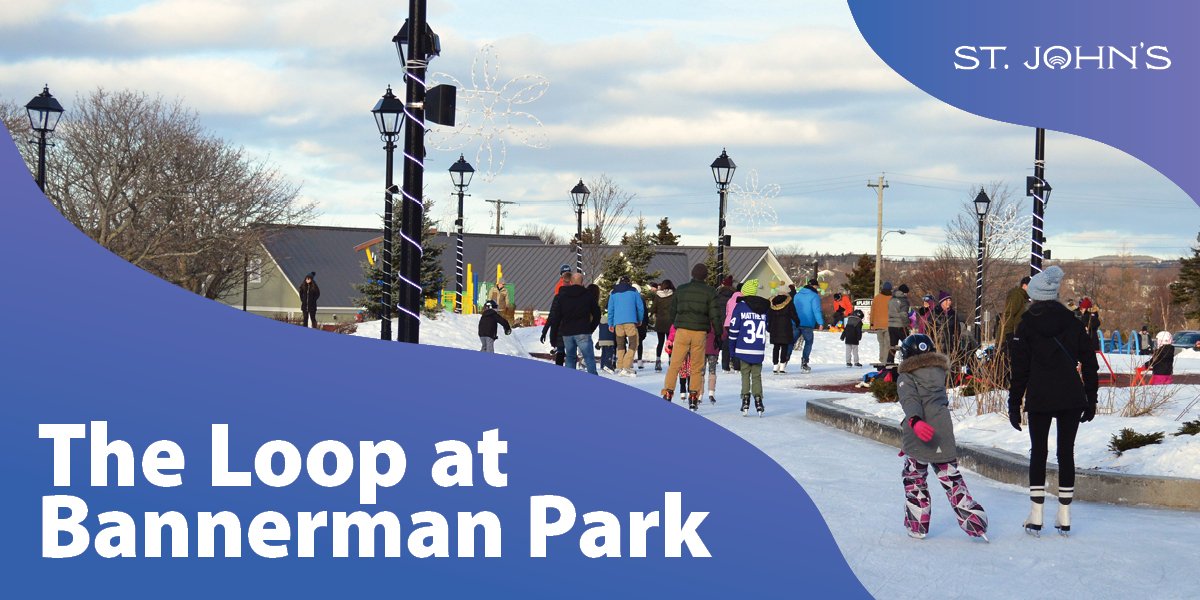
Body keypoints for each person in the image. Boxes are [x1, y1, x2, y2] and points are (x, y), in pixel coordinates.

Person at [1008, 266, 1099, 536]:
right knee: (1065, 453)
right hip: (1071, 396)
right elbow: (1090, 362)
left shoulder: (1025, 325)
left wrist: (1014, 403)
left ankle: (1036, 517)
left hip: (1040, 396)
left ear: (1034, 294)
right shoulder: (1072, 322)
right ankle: (1065, 515)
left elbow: (1020, 370)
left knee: (1039, 452)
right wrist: (1090, 398)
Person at [897, 333, 989, 541]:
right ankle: (975, 523)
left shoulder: (906, 376)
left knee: (914, 479)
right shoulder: (938, 373)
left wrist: (914, 421)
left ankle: (917, 525)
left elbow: (910, 400)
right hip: (942, 431)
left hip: (919, 431)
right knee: (951, 478)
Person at [662, 264, 723, 410]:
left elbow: (673, 311)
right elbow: (715, 315)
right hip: (700, 333)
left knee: (675, 364)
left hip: (682, 331)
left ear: (692, 274)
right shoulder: (710, 292)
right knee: (696, 366)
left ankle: (668, 392)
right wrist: (719, 334)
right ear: (705, 276)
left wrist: (675, 324)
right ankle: (694, 395)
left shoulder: (681, 290)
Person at [545, 273, 601, 375]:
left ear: (571, 282)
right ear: (582, 282)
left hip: (567, 332)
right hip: (583, 331)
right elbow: (597, 314)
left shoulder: (563, 296)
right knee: (588, 357)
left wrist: (553, 336)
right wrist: (590, 328)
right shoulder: (588, 295)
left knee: (570, 357)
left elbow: (556, 317)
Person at [728, 279, 769, 416]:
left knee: (745, 374)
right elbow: (768, 326)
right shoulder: (763, 308)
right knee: (756, 376)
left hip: (743, 348)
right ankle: (758, 399)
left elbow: (734, 330)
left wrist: (732, 350)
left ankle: (745, 399)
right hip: (758, 348)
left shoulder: (740, 307)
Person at [607, 275, 645, 377]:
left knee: (620, 345)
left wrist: (610, 323)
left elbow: (610, 309)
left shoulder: (613, 293)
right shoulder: (634, 291)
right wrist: (639, 319)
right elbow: (640, 307)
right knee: (634, 343)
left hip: (617, 323)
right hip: (630, 322)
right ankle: (626, 366)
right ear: (629, 282)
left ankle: (619, 367)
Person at [792, 278, 824, 373]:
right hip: (808, 324)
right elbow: (816, 310)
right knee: (808, 342)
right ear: (814, 286)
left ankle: (784, 360)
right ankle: (804, 362)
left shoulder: (797, 295)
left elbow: (793, 309)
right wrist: (820, 323)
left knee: (790, 342)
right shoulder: (814, 296)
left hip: (796, 322)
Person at [768, 288, 801, 373]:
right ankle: (782, 366)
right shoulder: (789, 302)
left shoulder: (772, 302)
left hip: (774, 328)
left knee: (776, 347)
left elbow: (769, 316)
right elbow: (793, 313)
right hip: (785, 327)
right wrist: (797, 322)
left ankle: (775, 366)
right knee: (784, 347)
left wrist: (769, 327)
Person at [651, 280, 675, 372]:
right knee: (669, 342)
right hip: (670, 322)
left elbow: (653, 308)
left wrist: (654, 313)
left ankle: (658, 361)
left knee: (660, 342)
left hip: (660, 322)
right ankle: (670, 360)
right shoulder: (673, 295)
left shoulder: (658, 296)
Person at [722, 283, 744, 372]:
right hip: (737, 322)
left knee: (727, 344)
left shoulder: (730, 299)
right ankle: (737, 365)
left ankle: (725, 365)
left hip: (727, 323)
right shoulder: (742, 299)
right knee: (737, 344)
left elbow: (727, 312)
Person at [887, 283, 912, 364]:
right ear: (905, 292)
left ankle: (890, 361)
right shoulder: (904, 301)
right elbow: (904, 314)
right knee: (908, 344)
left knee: (893, 345)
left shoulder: (891, 299)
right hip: (901, 325)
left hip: (891, 325)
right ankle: (907, 361)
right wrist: (908, 324)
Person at [870, 282, 893, 365]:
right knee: (887, 344)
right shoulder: (892, 298)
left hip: (878, 324)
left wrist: (872, 323)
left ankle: (881, 358)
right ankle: (885, 361)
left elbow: (872, 311)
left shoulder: (876, 298)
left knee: (881, 343)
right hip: (888, 324)